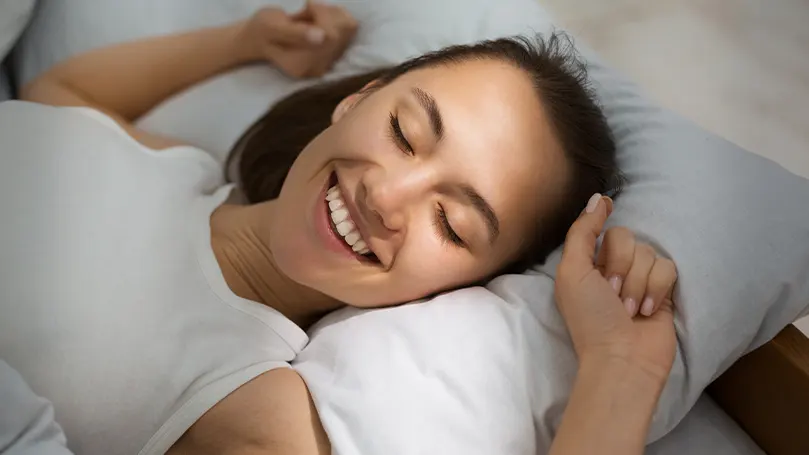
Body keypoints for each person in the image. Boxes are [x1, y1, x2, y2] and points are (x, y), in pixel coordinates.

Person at [0, 3, 677, 454]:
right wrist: (241, 41)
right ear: (357, 99)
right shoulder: (172, 162)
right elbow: (62, 95)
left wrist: (622, 370)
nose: (387, 195)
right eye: (405, 132)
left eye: (450, 222)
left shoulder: (242, 397)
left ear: (460, 286)